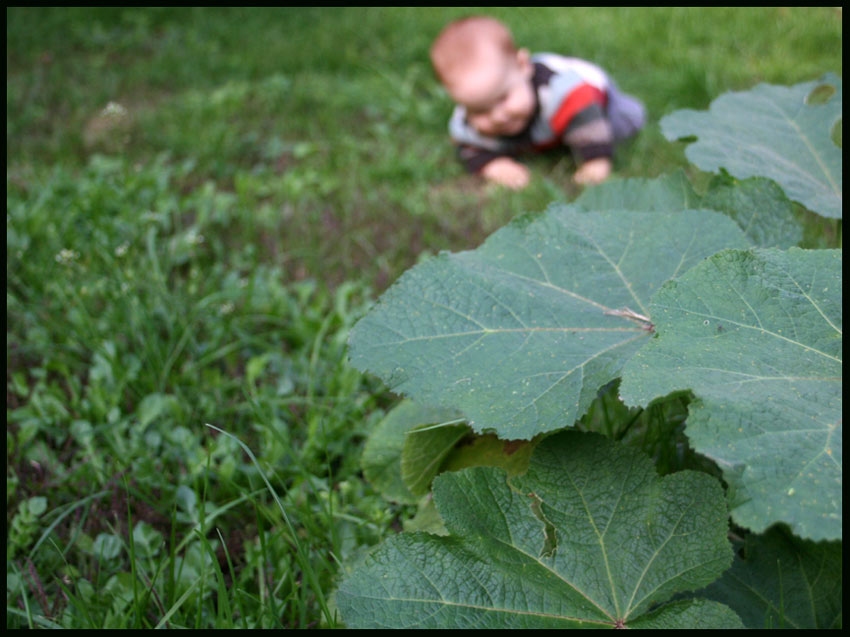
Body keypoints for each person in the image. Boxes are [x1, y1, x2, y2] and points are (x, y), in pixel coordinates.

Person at [430, 15, 645, 189]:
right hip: (547, 120)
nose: (497, 116)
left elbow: (588, 120)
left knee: (622, 125)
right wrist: (495, 165)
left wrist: (595, 163)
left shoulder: (565, 93)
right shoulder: (468, 122)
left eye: (503, 98)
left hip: (594, 95)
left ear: (523, 66)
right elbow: (468, 147)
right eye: (479, 110)